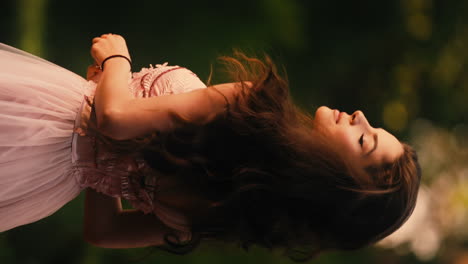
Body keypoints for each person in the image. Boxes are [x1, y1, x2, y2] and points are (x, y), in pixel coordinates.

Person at [0, 34, 421, 261]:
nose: (362, 116)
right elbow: (103, 231)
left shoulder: (243, 106)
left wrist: (116, 61)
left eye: (365, 140)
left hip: (37, 111)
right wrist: (101, 157)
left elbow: (113, 119)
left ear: (334, 179)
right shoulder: (224, 216)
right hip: (40, 181)